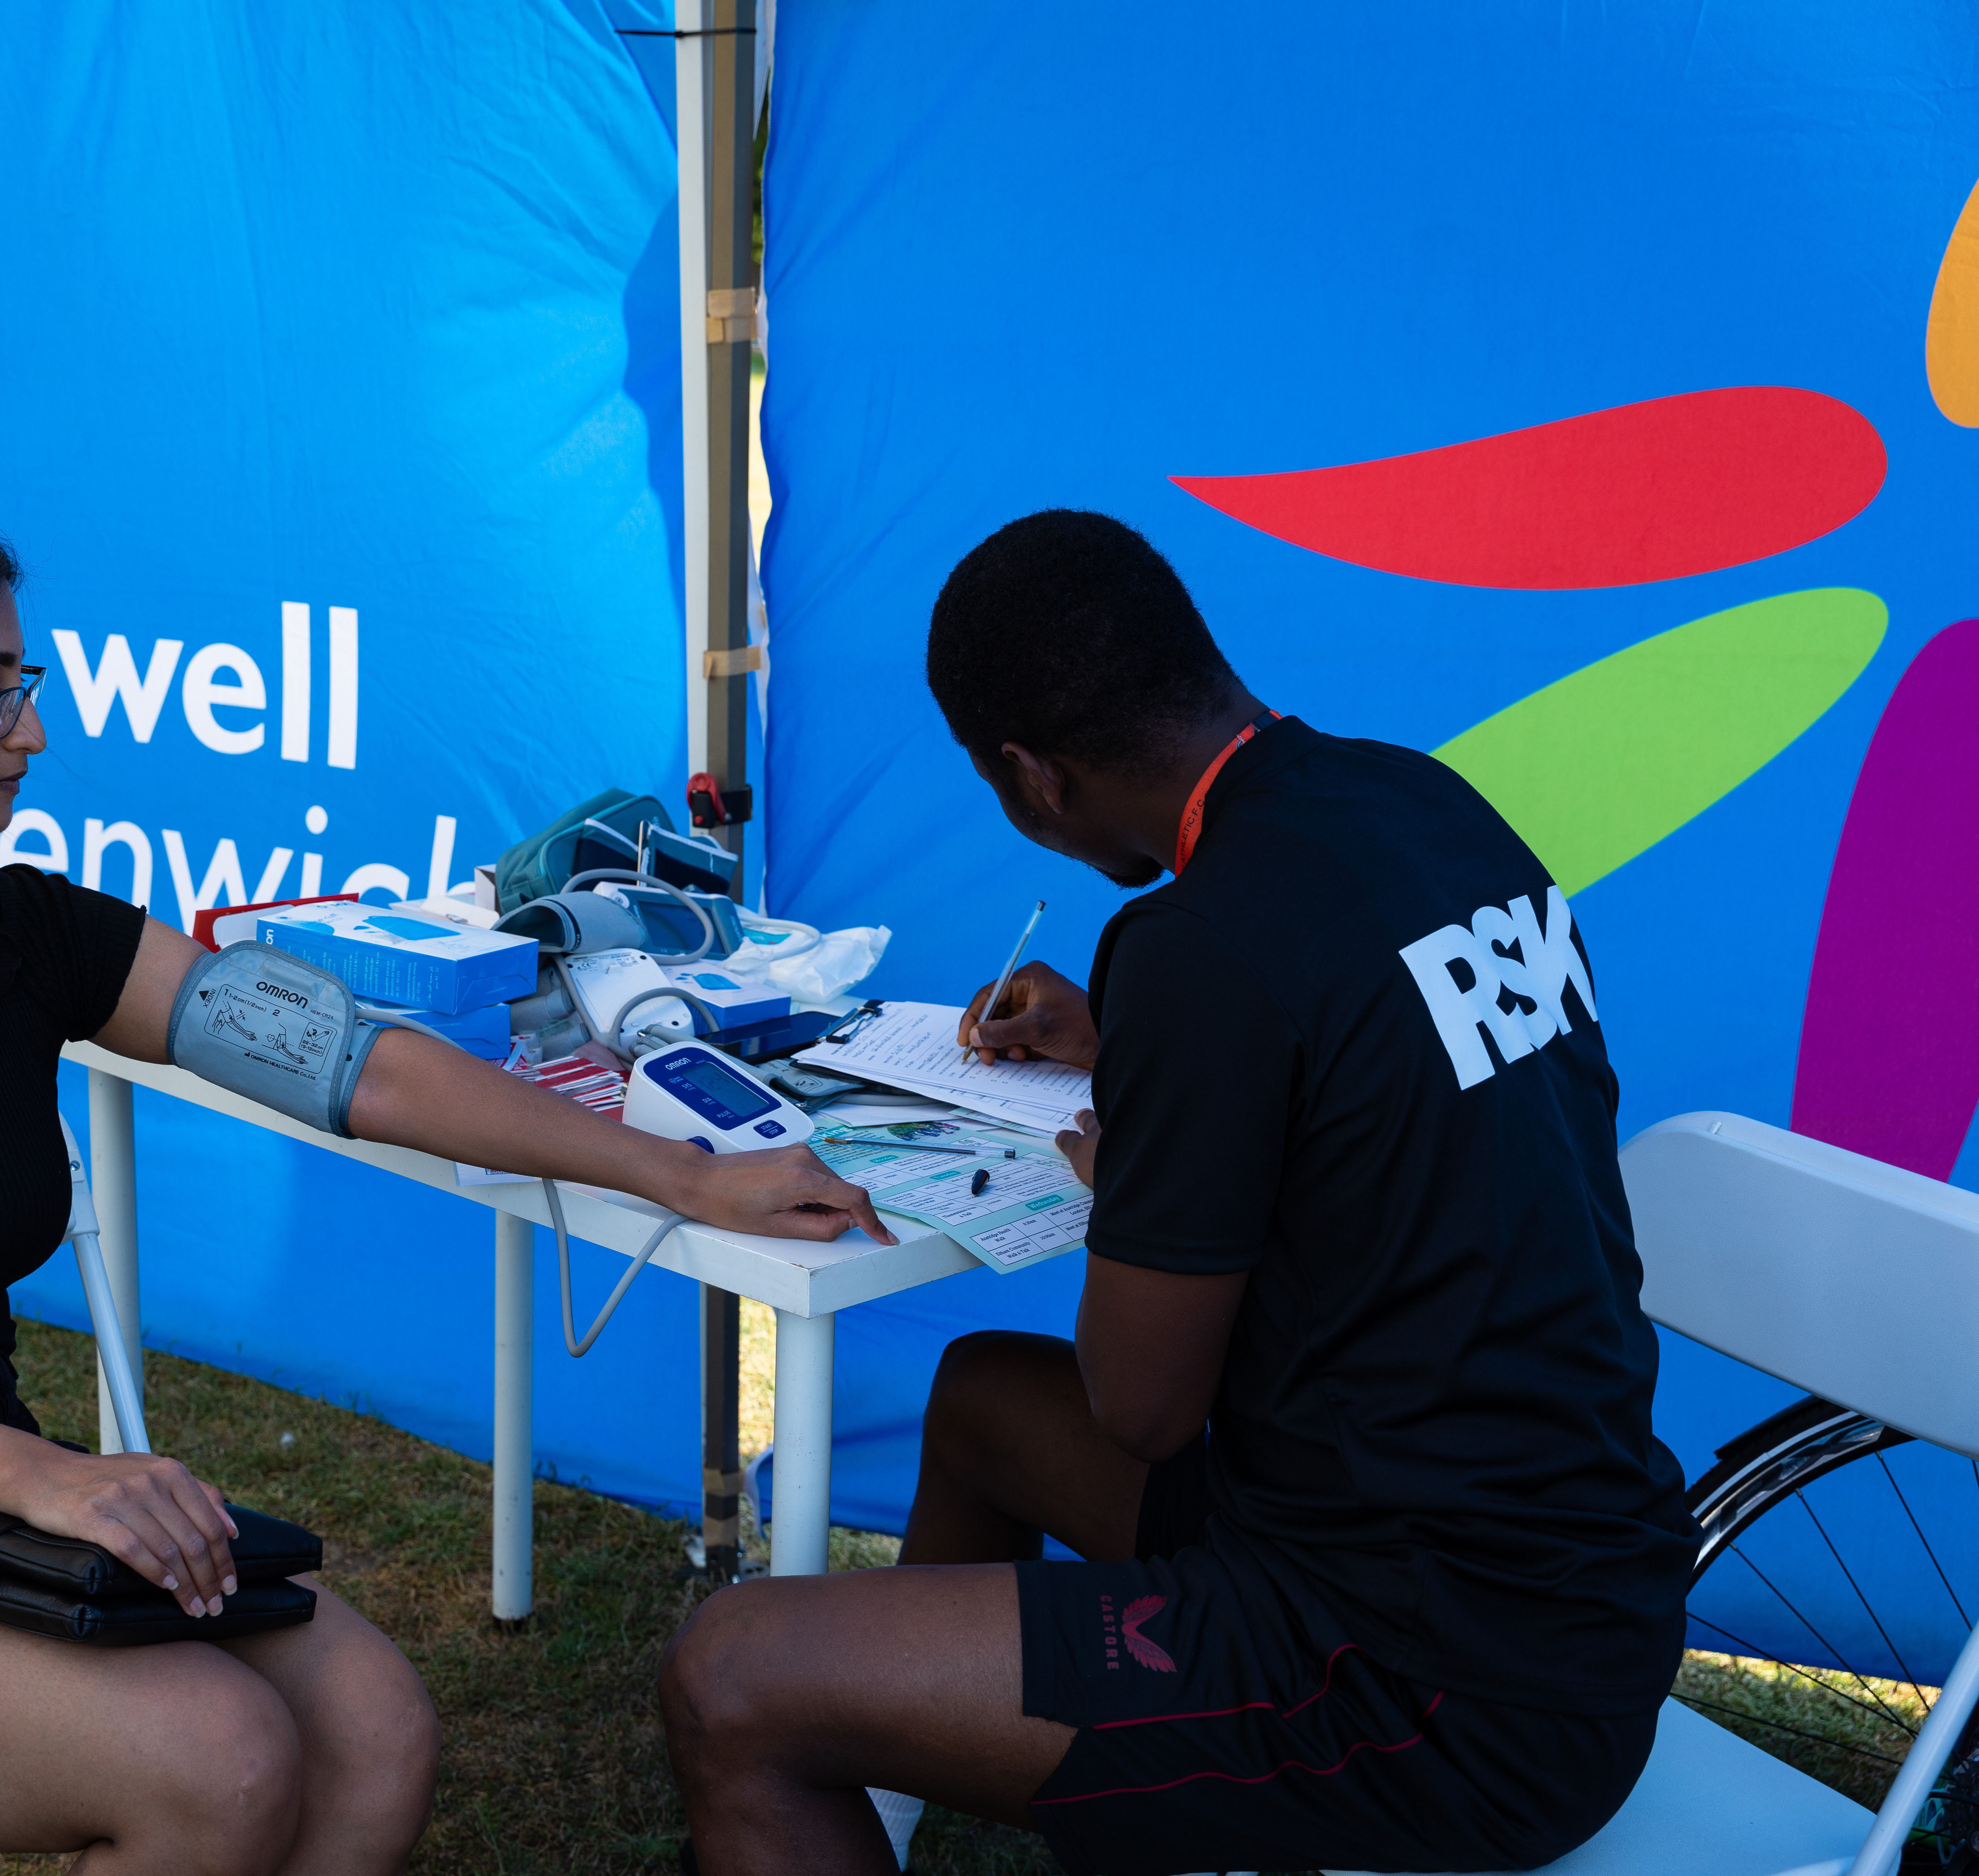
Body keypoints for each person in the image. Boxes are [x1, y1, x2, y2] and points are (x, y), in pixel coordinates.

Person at [0, 488, 891, 1876]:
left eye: (28, 683)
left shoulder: (32, 930)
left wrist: (679, 1170)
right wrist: (49, 1478)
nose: (32, 730)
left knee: (376, 1726)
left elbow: (357, 1064)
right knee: (223, 1758)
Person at [657, 509, 1695, 1876]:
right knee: (979, 1402)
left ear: (1032, 778)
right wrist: (1135, 1055)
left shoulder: (1199, 944)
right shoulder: (1418, 802)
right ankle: (886, 1765)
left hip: (1428, 1674)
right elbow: (1370, 1065)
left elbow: (1140, 1414)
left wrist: (1143, 1164)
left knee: (732, 1674)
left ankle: (823, 1739)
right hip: (1571, 1577)